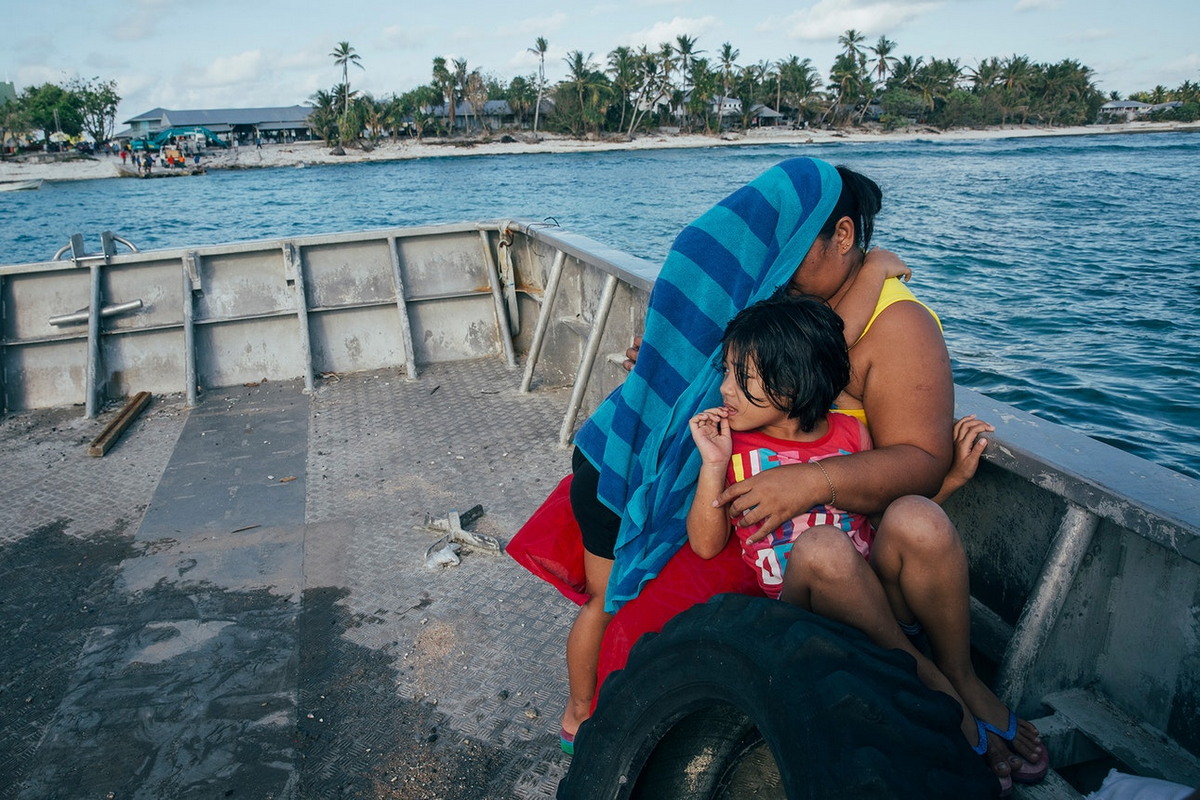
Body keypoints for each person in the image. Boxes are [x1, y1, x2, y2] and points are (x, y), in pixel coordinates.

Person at [553, 157, 1045, 790]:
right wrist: (869, 271)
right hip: (718, 504)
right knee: (624, 621)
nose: (779, 262)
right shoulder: (780, 293)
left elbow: (890, 435)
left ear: (841, 237)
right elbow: (799, 357)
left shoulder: (889, 326)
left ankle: (957, 685)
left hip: (779, 511)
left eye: (796, 246)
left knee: (907, 527)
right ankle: (589, 721)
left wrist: (809, 483)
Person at [559, 230, 908, 756]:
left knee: (602, 603)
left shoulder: (706, 331)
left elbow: (816, 357)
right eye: (729, 373)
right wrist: (876, 270)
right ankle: (580, 716)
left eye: (739, 377)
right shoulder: (737, 414)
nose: (726, 387)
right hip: (619, 479)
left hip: (607, 458)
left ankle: (579, 715)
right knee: (607, 602)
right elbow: (822, 351)